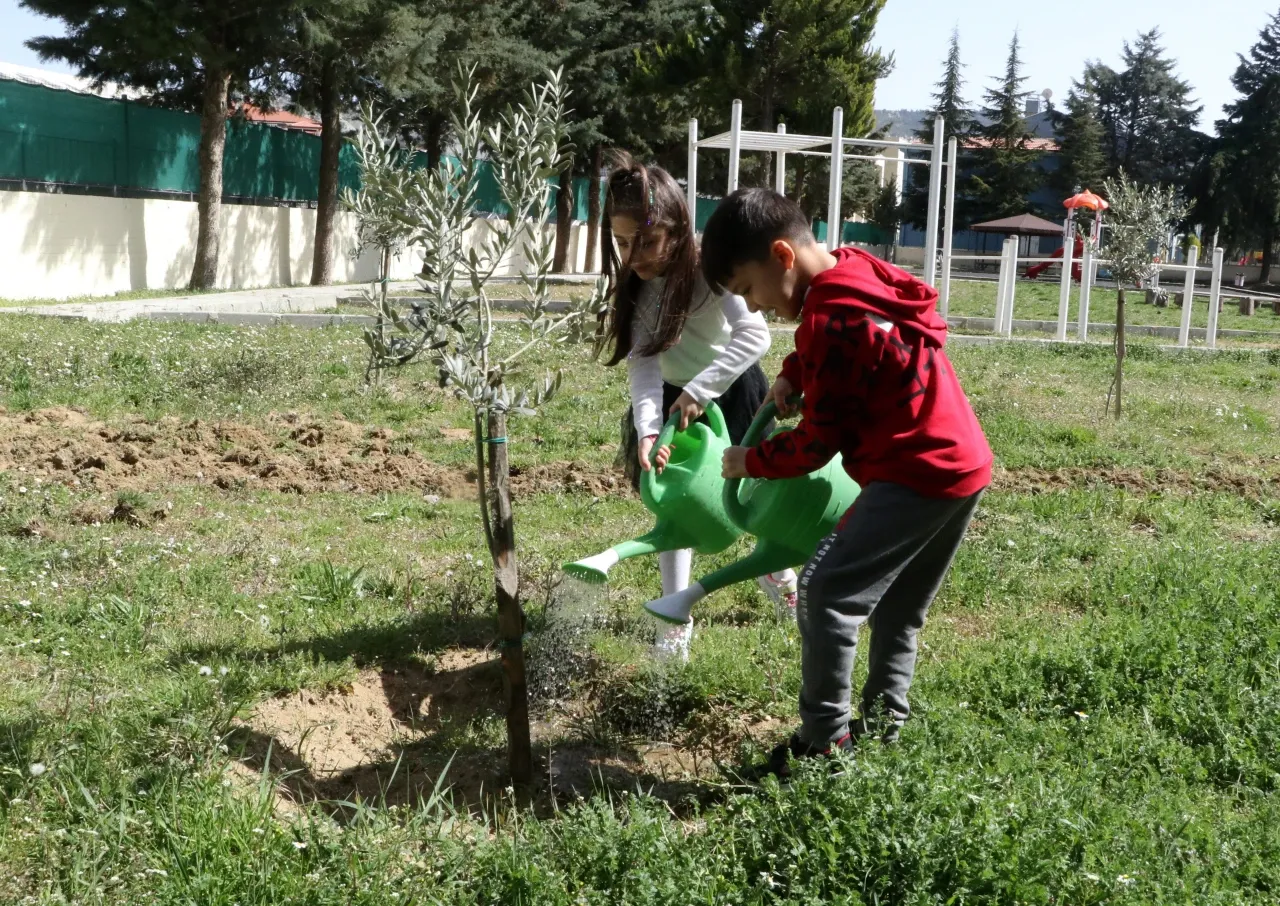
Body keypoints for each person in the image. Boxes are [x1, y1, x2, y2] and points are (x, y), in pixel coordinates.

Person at [701, 188, 992, 777]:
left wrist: (749, 461)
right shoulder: (854, 269)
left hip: (913, 470)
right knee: (899, 607)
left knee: (825, 591)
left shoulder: (830, 321)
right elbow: (845, 343)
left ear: (782, 255)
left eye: (749, 289)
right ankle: (884, 731)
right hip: (961, 461)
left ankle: (823, 746)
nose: (754, 306)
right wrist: (793, 371)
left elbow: (816, 444)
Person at [598, 157, 800, 661]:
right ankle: (675, 617)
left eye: (645, 241)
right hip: (674, 405)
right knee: (676, 505)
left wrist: (701, 391)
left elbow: (753, 336)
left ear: (677, 229)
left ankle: (778, 575)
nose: (632, 256)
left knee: (753, 494)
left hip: (731, 392)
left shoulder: (710, 271)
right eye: (621, 243)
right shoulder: (637, 287)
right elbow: (644, 367)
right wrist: (649, 429)